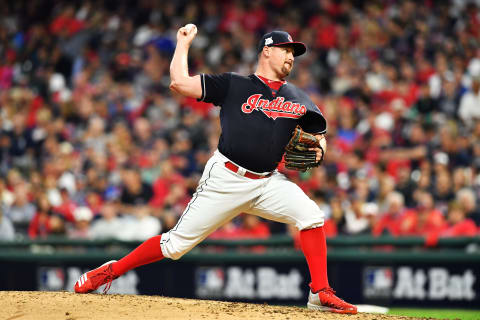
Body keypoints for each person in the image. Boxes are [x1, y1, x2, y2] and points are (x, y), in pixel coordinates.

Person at [73, 24, 357, 314]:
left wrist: (320, 145)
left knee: (311, 216)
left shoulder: (297, 97)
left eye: (293, 52)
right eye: (286, 49)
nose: (291, 56)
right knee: (174, 246)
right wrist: (182, 43)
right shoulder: (235, 84)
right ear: (267, 51)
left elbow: (318, 135)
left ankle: (319, 293)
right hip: (226, 178)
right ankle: (110, 271)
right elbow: (179, 83)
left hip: (268, 182)